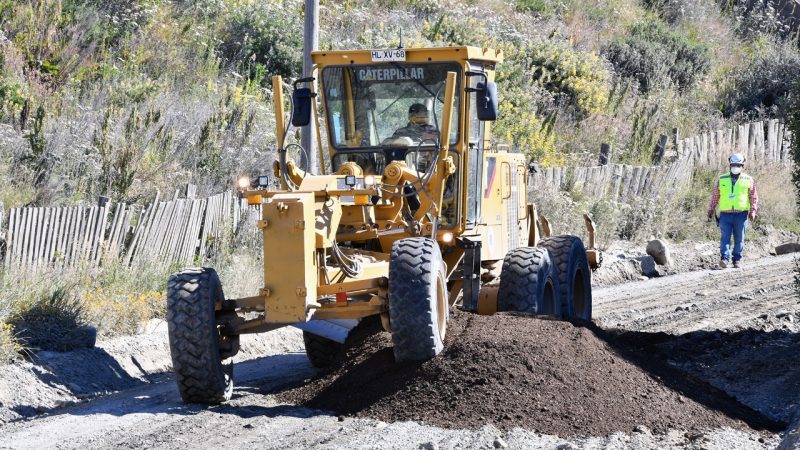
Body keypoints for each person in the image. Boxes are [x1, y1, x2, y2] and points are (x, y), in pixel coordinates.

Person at [707, 153, 759, 269]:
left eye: (738, 165)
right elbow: (715, 195)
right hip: (725, 215)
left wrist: (753, 211)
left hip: (741, 214)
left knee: (739, 238)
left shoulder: (748, 179)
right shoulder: (722, 179)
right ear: (730, 165)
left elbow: (753, 196)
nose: (735, 167)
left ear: (742, 166)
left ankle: (737, 260)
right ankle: (724, 259)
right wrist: (711, 209)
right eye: (733, 165)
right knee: (725, 238)